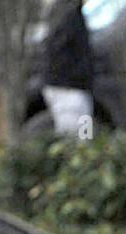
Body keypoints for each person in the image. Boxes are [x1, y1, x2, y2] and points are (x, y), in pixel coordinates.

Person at [40, 0, 94, 136]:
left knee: (84, 138)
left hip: (77, 90)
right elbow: (56, 51)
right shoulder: (67, 13)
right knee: (74, 142)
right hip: (68, 91)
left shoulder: (70, 11)